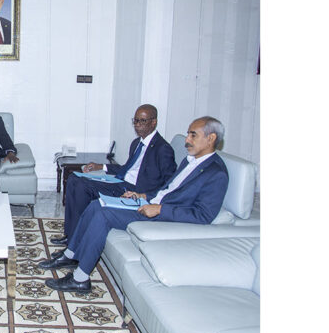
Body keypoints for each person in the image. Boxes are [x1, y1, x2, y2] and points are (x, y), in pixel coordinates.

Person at [39, 116, 229, 293]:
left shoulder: (216, 173)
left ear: (211, 138)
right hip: (149, 202)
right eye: (188, 134)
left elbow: (203, 216)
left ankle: (80, 279)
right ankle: (71, 255)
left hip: (161, 216)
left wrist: (160, 209)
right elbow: (167, 190)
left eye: (193, 135)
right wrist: (143, 195)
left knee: (104, 214)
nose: (187, 140)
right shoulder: (191, 161)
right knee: (96, 205)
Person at [51, 104, 176, 245]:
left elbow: (169, 183)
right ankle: (70, 234)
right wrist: (101, 166)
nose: (137, 125)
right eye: (135, 121)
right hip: (121, 183)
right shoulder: (136, 143)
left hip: (134, 191)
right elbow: (127, 168)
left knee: (82, 186)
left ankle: (76, 240)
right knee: (74, 178)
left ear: (154, 122)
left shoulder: (163, 148)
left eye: (142, 121)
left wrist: (145, 196)